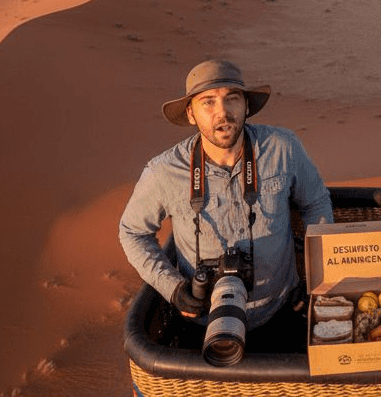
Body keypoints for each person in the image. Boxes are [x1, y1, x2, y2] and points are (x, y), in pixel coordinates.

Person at [119, 59, 333, 352]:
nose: (222, 112)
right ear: (191, 114)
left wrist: (318, 275)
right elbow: (132, 232)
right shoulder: (164, 172)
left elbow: (316, 202)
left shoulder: (282, 148)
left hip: (280, 312)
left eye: (232, 98)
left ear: (246, 106)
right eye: (208, 102)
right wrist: (174, 289)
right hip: (203, 322)